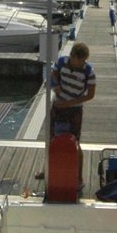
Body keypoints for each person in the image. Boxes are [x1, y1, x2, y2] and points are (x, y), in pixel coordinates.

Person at [44, 42, 96, 185]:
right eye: (79, 60)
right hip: (57, 105)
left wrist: (69, 103)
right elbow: (53, 74)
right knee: (51, 138)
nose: (81, 63)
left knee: (75, 143)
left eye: (84, 60)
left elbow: (90, 95)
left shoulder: (89, 72)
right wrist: (56, 85)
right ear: (72, 56)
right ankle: (47, 169)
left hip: (75, 109)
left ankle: (79, 178)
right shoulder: (61, 62)